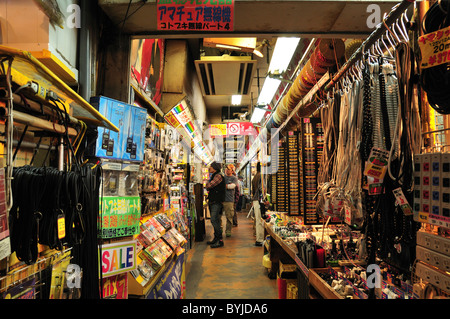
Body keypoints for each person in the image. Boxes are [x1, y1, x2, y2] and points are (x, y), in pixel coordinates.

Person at [205, 161, 225, 248]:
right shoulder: (215, 175)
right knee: (215, 220)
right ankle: (216, 238)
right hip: (214, 201)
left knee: (214, 219)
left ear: (215, 168)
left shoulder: (218, 176)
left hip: (216, 202)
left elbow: (209, 186)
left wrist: (207, 183)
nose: (209, 168)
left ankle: (219, 240)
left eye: (211, 166)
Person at [223, 164, 239, 237]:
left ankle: (228, 231)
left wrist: (225, 186)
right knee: (218, 217)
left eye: (229, 169)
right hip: (221, 199)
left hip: (229, 200)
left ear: (232, 170)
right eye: (226, 169)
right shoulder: (223, 177)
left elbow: (232, 186)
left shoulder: (234, 178)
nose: (227, 170)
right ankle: (219, 231)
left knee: (229, 216)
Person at [252, 162, 264, 246]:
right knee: (260, 220)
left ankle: (258, 238)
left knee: (257, 220)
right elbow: (261, 189)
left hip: (256, 200)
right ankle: (260, 240)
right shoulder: (261, 176)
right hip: (259, 200)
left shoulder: (256, 176)